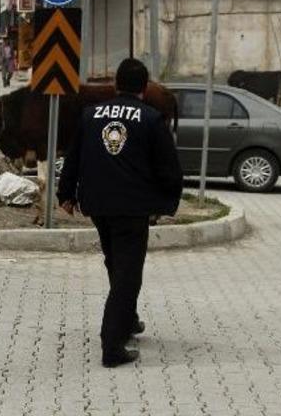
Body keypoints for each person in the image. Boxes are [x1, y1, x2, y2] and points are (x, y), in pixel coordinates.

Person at [57, 58, 183, 368]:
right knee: (128, 275)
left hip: (98, 205)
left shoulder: (91, 115)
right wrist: (166, 203)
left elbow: (73, 156)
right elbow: (169, 169)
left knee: (116, 263)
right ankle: (112, 345)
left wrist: (65, 193)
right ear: (144, 87)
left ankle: (127, 320)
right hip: (131, 208)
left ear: (116, 84)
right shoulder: (152, 119)